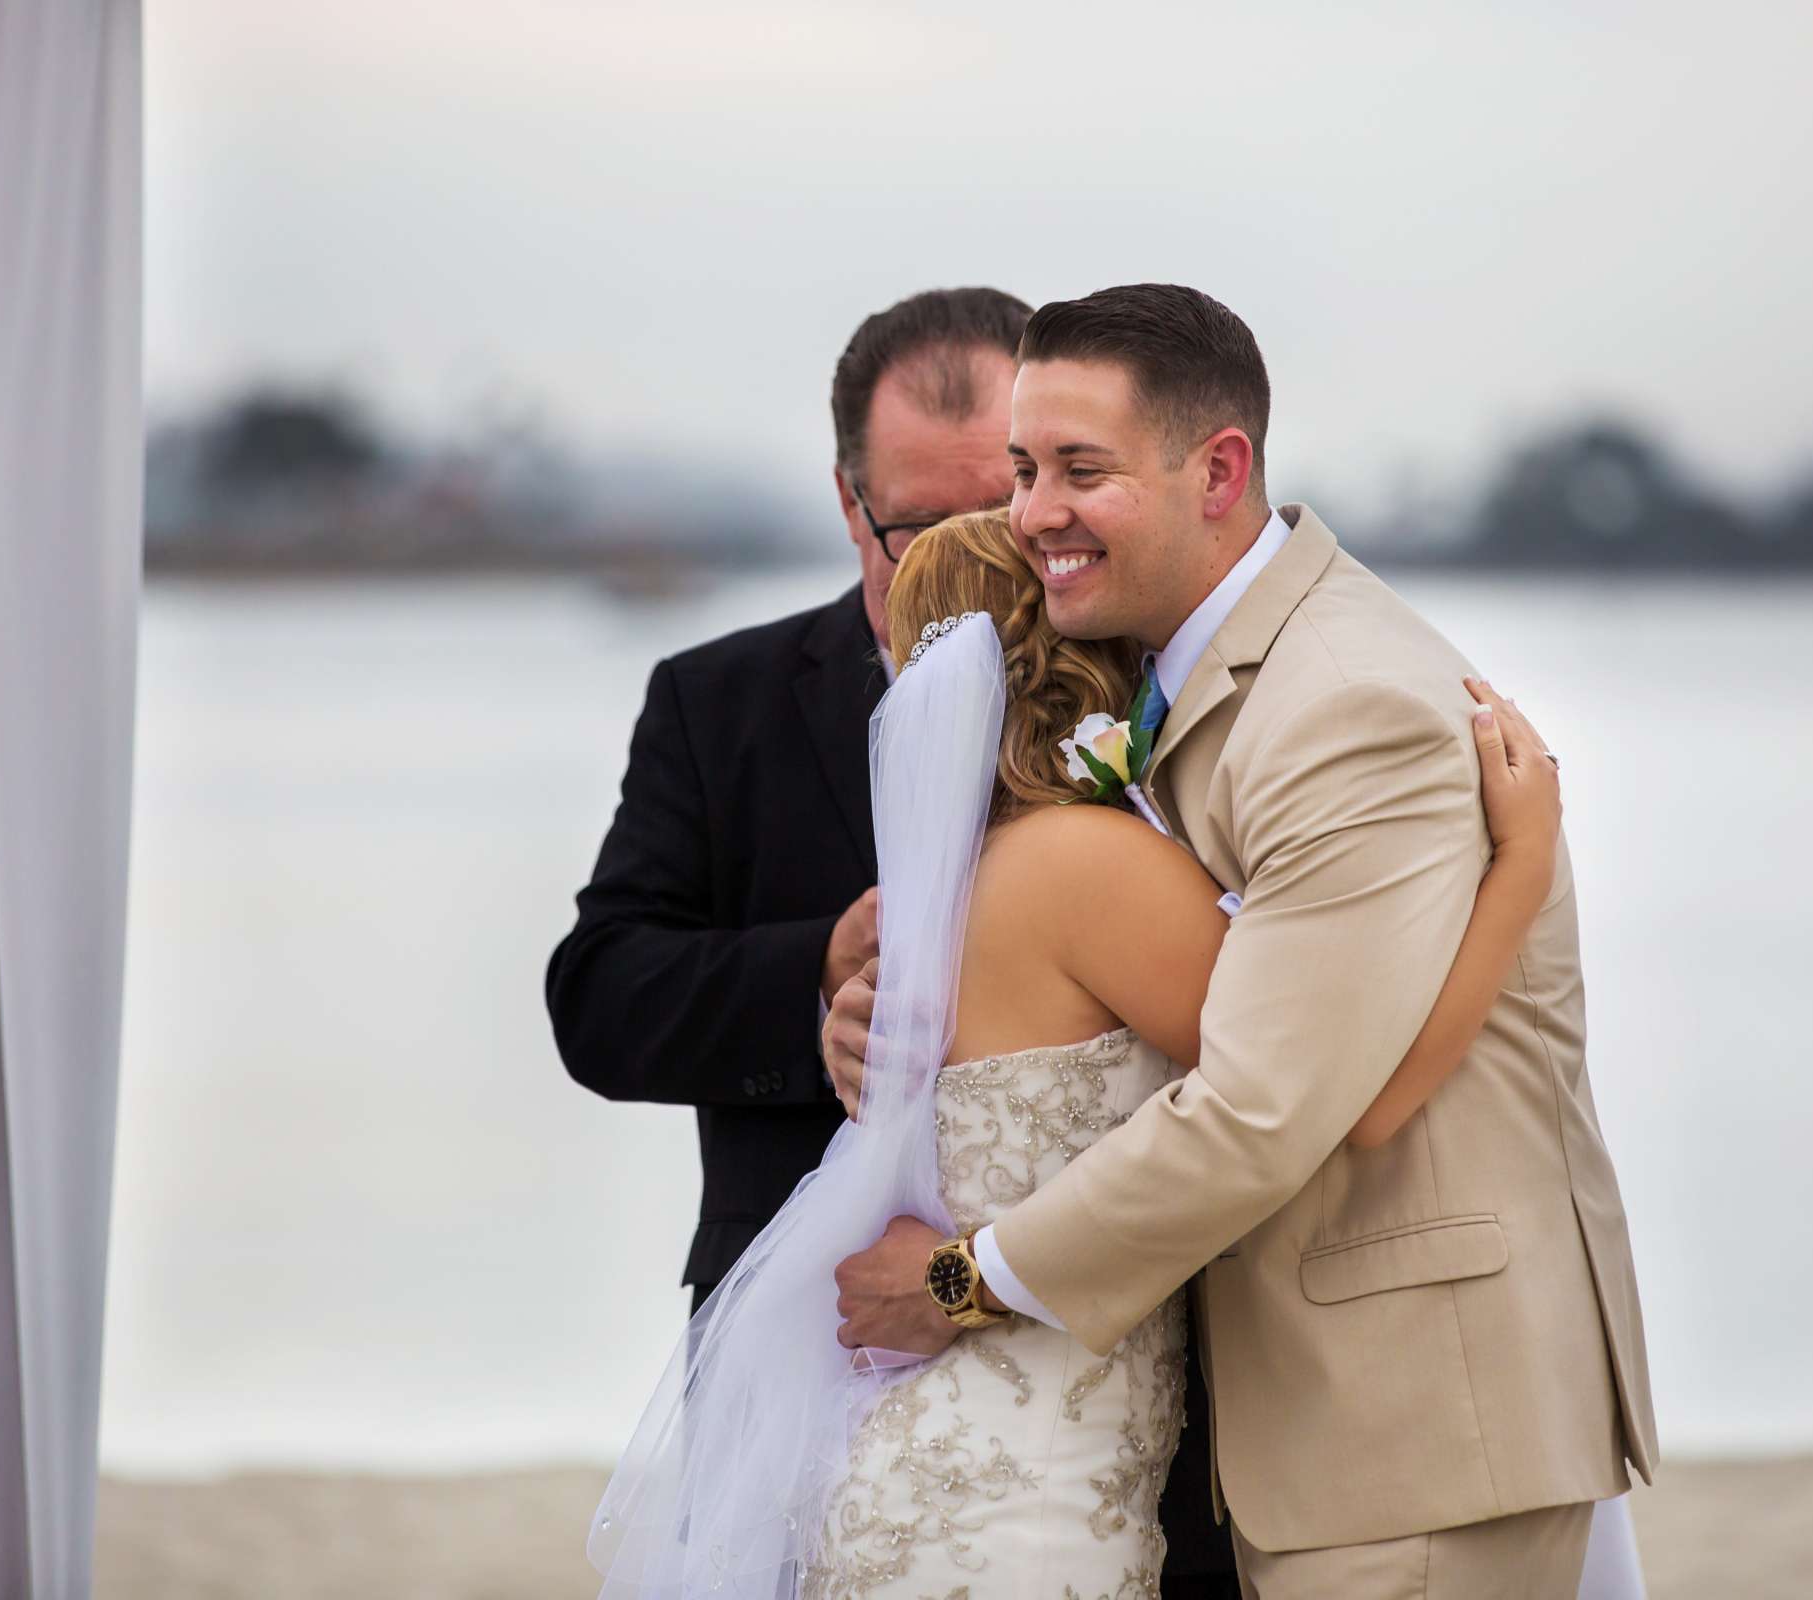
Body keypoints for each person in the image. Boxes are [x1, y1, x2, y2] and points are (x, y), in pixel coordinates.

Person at [825, 285, 1657, 1598]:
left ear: (1218, 471)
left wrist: (955, 1281)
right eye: (1028, 468)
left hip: (1412, 1432)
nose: (1035, 506)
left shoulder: (1344, 703)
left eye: (1078, 469)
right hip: (1271, 1440)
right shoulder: (1154, 731)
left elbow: (1280, 1107)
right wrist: (1524, 870)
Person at [586, 508, 1563, 1598]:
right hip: (1025, 1492)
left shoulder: (944, 900)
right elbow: (1343, 1096)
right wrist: (1520, 867)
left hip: (937, 1468)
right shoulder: (1085, 867)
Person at [544, 286, 1027, 1314]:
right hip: (794, 1311)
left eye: (1001, 517)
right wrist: (814, 969)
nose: (971, 562)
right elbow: (597, 1000)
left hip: (1074, 1316)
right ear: (852, 504)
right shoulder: (716, 701)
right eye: (923, 528)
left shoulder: (1142, 692)